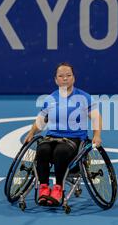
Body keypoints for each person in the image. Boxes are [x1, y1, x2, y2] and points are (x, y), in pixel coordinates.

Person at [24, 62, 103, 206]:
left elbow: (96, 117)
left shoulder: (84, 97)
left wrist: (97, 135)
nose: (65, 78)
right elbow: (41, 121)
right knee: (42, 150)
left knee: (60, 151)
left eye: (68, 75)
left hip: (74, 139)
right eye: (61, 76)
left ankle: (58, 188)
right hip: (52, 137)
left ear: (74, 78)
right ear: (56, 80)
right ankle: (43, 188)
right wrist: (31, 132)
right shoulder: (50, 99)